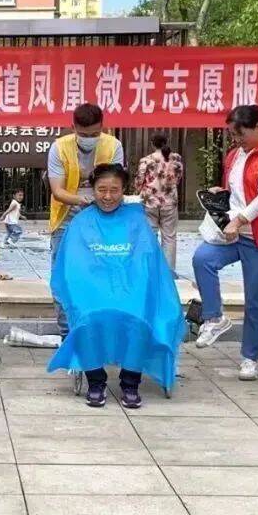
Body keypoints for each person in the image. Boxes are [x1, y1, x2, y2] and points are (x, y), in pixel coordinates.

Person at [47, 163, 184, 408]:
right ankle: (96, 381)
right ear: (92, 190)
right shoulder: (81, 222)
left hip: (131, 289)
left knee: (137, 316)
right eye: (102, 190)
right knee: (88, 316)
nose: (108, 196)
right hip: (91, 291)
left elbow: (148, 262)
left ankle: (130, 382)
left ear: (123, 190)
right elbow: (72, 267)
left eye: (114, 190)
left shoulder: (137, 221)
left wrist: (135, 287)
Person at [192, 105, 258, 381]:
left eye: (241, 133)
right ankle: (215, 317)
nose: (237, 139)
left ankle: (250, 358)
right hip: (235, 234)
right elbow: (239, 192)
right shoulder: (236, 155)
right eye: (233, 134)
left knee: (256, 300)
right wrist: (221, 192)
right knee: (203, 259)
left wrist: (239, 220)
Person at [47, 103, 125, 341]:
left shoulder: (113, 146)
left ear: (102, 127)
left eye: (94, 134)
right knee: (63, 277)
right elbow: (57, 190)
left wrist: (100, 202)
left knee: (102, 273)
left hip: (104, 219)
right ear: (73, 127)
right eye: (83, 134)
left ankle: (97, 331)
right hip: (66, 218)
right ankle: (67, 335)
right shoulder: (59, 147)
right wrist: (82, 201)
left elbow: (116, 184)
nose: (89, 139)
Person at [135, 132, 184, 269]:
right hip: (169, 201)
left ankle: (149, 268)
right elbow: (178, 178)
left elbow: (139, 181)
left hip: (150, 201)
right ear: (166, 142)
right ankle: (168, 271)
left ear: (152, 144)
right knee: (169, 237)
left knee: (150, 235)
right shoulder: (176, 159)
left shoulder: (146, 160)